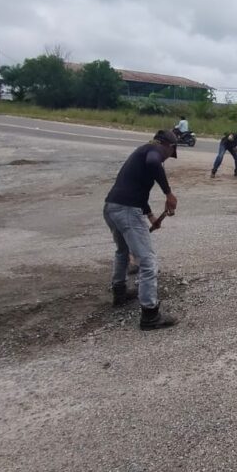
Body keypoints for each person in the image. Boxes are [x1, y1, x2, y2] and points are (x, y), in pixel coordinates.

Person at [103, 130, 179, 330]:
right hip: (126, 210)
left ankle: (119, 293)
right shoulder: (153, 152)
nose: (169, 156)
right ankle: (150, 315)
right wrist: (168, 193)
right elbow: (154, 163)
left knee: (122, 251)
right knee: (147, 261)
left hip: (112, 207)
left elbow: (137, 189)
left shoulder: (142, 152)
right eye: (171, 151)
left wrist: (151, 215)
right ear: (166, 145)